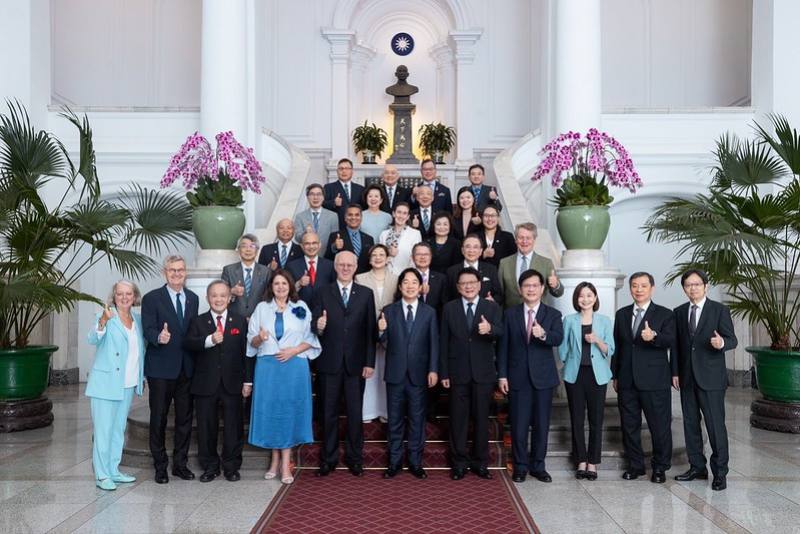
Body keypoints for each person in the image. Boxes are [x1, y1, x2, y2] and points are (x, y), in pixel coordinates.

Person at [247, 269, 320, 484]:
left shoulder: (300, 307)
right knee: (271, 411)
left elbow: (311, 338)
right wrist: (260, 338)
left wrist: (293, 351)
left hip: (294, 366)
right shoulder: (262, 308)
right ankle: (274, 460)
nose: (280, 287)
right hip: (268, 367)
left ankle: (286, 463)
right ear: (271, 287)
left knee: (288, 411)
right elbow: (251, 342)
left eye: (284, 283)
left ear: (290, 286)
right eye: (276, 283)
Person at [312, 251, 377, 477]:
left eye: (350, 265)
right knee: (328, 413)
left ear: (356, 267)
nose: (346, 268)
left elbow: (370, 331)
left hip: (356, 365)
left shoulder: (366, 294)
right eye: (342, 264)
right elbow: (313, 324)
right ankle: (328, 459)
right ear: (335, 266)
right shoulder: (322, 292)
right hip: (328, 363)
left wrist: (369, 362)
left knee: (354, 413)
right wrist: (318, 326)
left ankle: (354, 458)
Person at [673, 269, 737, 491]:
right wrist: (675, 372)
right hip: (687, 377)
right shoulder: (679, 312)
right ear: (684, 288)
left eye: (697, 284)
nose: (693, 288)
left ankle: (720, 473)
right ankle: (697, 467)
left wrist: (722, 344)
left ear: (706, 286)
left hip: (711, 378)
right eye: (688, 285)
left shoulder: (719, 310)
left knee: (715, 426)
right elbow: (677, 346)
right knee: (690, 424)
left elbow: (732, 339)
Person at [498, 269, 564, 484]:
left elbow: (558, 338)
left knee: (541, 425)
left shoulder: (552, 314)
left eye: (535, 285)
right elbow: (503, 347)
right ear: (520, 289)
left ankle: (538, 466)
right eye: (527, 285)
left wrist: (543, 334)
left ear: (542, 288)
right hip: (517, 378)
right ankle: (520, 467)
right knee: (519, 425)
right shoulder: (510, 314)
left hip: (543, 378)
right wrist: (502, 375)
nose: (531, 289)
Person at [184, 281, 252, 483]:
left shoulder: (239, 321)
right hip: (205, 383)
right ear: (207, 298)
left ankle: (231, 467)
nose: (219, 299)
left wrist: (248, 381)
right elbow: (188, 343)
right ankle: (210, 466)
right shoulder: (198, 321)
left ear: (229, 298)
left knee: (233, 427)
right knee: (206, 427)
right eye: (214, 295)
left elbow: (246, 352)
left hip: (233, 382)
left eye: (223, 295)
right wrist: (209, 340)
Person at [612, 272, 677, 483]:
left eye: (643, 285)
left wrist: (654, 336)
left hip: (654, 379)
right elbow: (618, 346)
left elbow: (671, 340)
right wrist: (615, 375)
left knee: (659, 426)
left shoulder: (665, 314)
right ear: (630, 288)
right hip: (627, 379)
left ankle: (660, 467)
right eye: (634, 285)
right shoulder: (622, 314)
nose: (638, 289)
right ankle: (636, 465)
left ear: (652, 288)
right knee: (629, 425)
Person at [439, 267, 503, 480]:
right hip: (457, 372)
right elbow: (443, 341)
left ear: (479, 285)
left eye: (472, 283)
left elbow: (502, 332)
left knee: (482, 419)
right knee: (458, 419)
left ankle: (480, 462)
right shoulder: (449, 308)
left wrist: (490, 329)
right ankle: (459, 463)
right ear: (458, 287)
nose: (468, 286)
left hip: (483, 373)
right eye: (463, 283)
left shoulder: (491, 307)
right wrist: (444, 373)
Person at [141, 255, 199, 484]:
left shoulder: (193, 299)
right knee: (159, 418)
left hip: (186, 368)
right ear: (164, 272)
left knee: (184, 419)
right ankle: (160, 466)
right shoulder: (151, 298)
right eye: (172, 270)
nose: (177, 274)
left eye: (180, 270)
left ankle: (180, 465)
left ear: (186, 272)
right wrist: (158, 337)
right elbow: (147, 329)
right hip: (160, 369)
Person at [379, 269, 439, 479]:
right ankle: (394, 462)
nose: (410, 286)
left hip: (419, 375)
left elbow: (434, 343)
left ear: (421, 287)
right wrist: (381, 330)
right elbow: (383, 342)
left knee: (416, 420)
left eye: (415, 282)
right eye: (406, 282)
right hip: (395, 374)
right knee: (394, 419)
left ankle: (415, 462)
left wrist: (433, 369)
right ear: (400, 286)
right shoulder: (388, 310)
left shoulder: (429, 312)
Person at [86, 280, 145, 491]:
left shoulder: (137, 320)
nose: (124, 297)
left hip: (127, 383)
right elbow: (92, 338)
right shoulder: (106, 316)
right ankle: (102, 475)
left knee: (118, 430)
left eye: (128, 293)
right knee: (103, 431)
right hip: (106, 384)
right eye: (120, 293)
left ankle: (113, 470)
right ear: (114, 296)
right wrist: (102, 321)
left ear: (134, 296)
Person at [558, 282, 615, 481]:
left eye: (589, 295)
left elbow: (610, 349)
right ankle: (581, 460)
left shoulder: (604, 321)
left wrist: (597, 340)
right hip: (575, 375)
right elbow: (563, 348)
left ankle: (593, 462)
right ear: (576, 299)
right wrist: (567, 361)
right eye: (581, 296)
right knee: (577, 419)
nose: (585, 299)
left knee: (596, 420)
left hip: (597, 375)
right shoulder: (569, 320)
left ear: (595, 298)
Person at [356, 244, 398, 422]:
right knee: (369, 372)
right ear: (369, 258)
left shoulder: (396, 279)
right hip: (366, 329)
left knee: (386, 371)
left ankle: (385, 412)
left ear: (388, 258)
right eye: (374, 255)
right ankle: (368, 412)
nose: (378, 257)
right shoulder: (360, 278)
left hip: (390, 331)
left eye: (382, 254)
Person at [499, 223, 562, 308]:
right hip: (511, 314)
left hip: (538, 315)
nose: (524, 241)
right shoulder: (504, 263)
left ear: (534, 240)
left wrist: (556, 285)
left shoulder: (546, 263)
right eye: (521, 237)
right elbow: (500, 294)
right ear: (516, 240)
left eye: (528, 238)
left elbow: (559, 293)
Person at [221, 234, 270, 320]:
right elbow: (220, 294)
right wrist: (231, 291)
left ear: (257, 250)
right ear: (238, 250)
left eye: (252, 246)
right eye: (244, 246)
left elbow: (269, 297)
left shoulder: (266, 271)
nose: (248, 250)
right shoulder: (228, 270)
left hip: (259, 318)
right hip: (234, 319)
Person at [446, 234, 504, 305]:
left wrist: (493, 300)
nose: (471, 250)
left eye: (475, 247)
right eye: (468, 247)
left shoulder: (491, 269)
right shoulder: (451, 271)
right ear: (462, 250)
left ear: (481, 251)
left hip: (484, 309)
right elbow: (447, 298)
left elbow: (499, 295)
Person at [286, 231, 335, 307]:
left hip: (323, 310)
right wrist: (298, 284)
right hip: (299, 310)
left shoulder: (330, 265)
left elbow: (335, 290)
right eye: (307, 244)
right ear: (302, 246)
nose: (311, 247)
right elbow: (286, 291)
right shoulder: (291, 266)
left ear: (319, 245)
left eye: (314, 243)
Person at [325, 204, 375, 274]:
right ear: (345, 218)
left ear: (361, 218)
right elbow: (327, 259)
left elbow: (371, 262)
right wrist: (335, 247)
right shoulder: (335, 236)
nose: (353, 217)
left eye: (357, 215)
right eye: (350, 215)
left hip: (363, 277)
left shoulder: (369, 239)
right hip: (343, 275)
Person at [379, 201, 422, 275]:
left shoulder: (415, 234)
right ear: (393, 214)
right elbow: (379, 256)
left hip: (405, 275)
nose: (401, 216)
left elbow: (416, 258)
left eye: (404, 213)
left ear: (408, 217)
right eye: (399, 212)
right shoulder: (384, 234)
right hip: (386, 275)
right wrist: (388, 254)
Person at [294, 183, 340, 252]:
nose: (315, 197)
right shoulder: (300, 216)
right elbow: (297, 238)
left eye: (319, 194)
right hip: (307, 254)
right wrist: (305, 233)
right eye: (312, 194)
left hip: (326, 255)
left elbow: (334, 240)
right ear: (307, 197)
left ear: (323, 197)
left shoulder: (333, 216)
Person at [323, 158, 365, 229]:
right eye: (341, 169)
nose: (344, 171)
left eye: (347, 168)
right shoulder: (328, 187)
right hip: (336, 227)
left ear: (352, 171)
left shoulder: (360, 189)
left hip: (356, 228)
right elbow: (322, 205)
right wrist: (333, 203)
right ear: (337, 171)